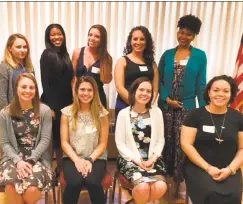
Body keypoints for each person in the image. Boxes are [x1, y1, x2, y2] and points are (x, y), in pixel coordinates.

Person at [158, 14, 207, 194]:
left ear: (194, 36)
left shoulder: (200, 56)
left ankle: (180, 181)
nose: (183, 36)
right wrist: (166, 99)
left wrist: (204, 110)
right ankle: (165, 179)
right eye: (181, 32)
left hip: (187, 109)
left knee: (182, 146)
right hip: (166, 108)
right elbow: (159, 80)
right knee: (165, 143)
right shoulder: (167, 54)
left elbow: (201, 84)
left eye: (188, 34)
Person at [181, 75, 243, 204]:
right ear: (209, 92)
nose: (220, 94)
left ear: (231, 94)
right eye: (216, 90)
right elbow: (186, 144)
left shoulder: (240, 118)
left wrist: (230, 169)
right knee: (210, 193)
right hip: (199, 167)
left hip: (229, 168)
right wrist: (208, 168)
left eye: (226, 91)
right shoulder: (194, 115)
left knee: (233, 197)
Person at [0, 73, 53, 204]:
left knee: (31, 191)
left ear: (36, 90)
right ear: (16, 89)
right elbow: (5, 143)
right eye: (23, 87)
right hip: (12, 159)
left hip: (38, 159)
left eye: (31, 87)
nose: (27, 91)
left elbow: (45, 140)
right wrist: (18, 162)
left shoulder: (44, 111)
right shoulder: (5, 113)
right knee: (12, 188)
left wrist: (30, 160)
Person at [115, 77, 167, 204]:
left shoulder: (157, 112)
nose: (145, 93)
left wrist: (152, 159)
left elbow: (160, 140)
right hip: (130, 159)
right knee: (142, 187)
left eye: (148, 91)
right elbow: (120, 144)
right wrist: (138, 161)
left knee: (160, 187)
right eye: (141, 90)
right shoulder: (123, 114)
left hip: (152, 159)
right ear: (134, 92)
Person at [60, 76, 109, 204]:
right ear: (76, 91)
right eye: (82, 89)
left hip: (96, 158)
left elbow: (103, 143)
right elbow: (64, 142)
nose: (85, 93)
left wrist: (89, 160)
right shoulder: (66, 113)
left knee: (92, 182)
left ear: (94, 92)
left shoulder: (102, 114)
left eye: (89, 90)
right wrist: (77, 160)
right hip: (72, 158)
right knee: (75, 182)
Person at [40, 23, 73, 175]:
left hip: (67, 102)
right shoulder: (47, 54)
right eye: (53, 35)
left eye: (59, 34)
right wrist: (50, 107)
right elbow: (45, 83)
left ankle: (62, 168)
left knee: (64, 137)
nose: (56, 37)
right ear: (48, 37)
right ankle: (56, 170)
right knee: (56, 140)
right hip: (53, 103)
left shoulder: (65, 54)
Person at [114, 26, 159, 121]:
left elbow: (155, 89)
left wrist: (146, 105)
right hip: (125, 105)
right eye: (135, 39)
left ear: (147, 42)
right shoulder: (122, 61)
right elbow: (119, 87)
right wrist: (135, 104)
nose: (138, 42)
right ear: (130, 41)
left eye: (142, 39)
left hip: (146, 108)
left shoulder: (152, 64)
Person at [71, 24, 112, 108]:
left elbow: (106, 80)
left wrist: (105, 64)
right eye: (90, 35)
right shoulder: (77, 52)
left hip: (98, 98)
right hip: (81, 96)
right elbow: (73, 77)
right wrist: (74, 96)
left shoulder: (106, 58)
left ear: (102, 40)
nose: (92, 38)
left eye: (97, 36)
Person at [0, 33, 34, 110]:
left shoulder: (29, 67)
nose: (23, 50)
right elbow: (2, 99)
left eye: (25, 47)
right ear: (10, 48)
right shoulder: (3, 69)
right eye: (18, 47)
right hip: (14, 113)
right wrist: (7, 118)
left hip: (30, 111)